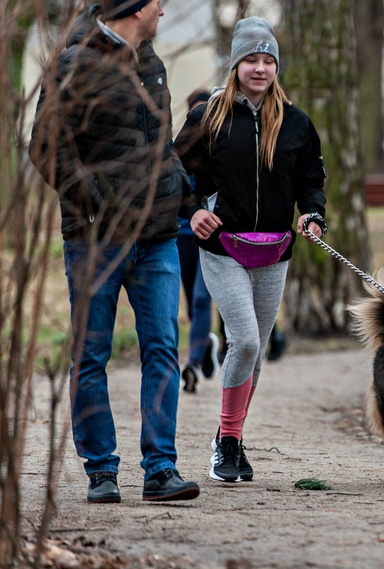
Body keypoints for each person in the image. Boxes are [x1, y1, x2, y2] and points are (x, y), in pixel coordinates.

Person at [28, 0, 200, 503]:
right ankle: (101, 471)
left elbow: (160, 144)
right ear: (136, 7)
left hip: (158, 239)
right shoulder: (72, 63)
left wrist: (185, 198)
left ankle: (160, 470)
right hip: (95, 240)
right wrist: (98, 204)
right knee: (91, 356)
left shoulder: (151, 62)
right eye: (158, 5)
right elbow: (45, 146)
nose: (163, 14)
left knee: (164, 351)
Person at [174, 16, 327, 483]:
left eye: (267, 60)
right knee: (244, 340)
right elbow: (174, 170)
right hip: (222, 248)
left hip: (275, 251)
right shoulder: (209, 117)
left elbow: (311, 180)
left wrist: (313, 214)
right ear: (236, 64)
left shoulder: (297, 122)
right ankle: (226, 442)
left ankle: (233, 440)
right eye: (250, 60)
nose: (260, 69)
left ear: (276, 66)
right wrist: (193, 209)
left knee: (255, 353)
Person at [177, 88, 220, 393]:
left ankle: (192, 361)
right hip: (181, 235)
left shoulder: (221, 148)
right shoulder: (181, 148)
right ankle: (205, 345)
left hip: (210, 235)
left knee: (203, 298)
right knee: (193, 305)